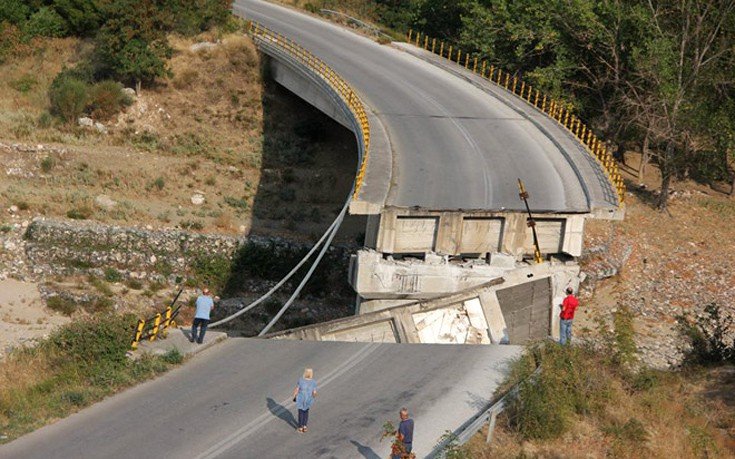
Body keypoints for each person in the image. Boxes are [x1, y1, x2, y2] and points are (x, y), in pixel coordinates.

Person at [292, 368, 317, 433]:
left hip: (300, 398)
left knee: (300, 412)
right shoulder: (313, 382)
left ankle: (300, 427)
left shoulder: (301, 380)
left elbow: (297, 389)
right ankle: (305, 426)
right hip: (308, 399)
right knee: (306, 411)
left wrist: (294, 396)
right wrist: (313, 398)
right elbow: (314, 392)